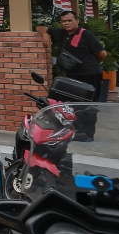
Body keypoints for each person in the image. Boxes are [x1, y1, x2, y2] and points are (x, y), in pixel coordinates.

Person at [38, 11, 107, 141]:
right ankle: (75, 131)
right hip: (72, 74)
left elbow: (102, 54)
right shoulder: (62, 33)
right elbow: (40, 27)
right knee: (72, 103)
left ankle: (87, 134)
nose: (66, 23)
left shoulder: (86, 34)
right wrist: (45, 35)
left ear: (77, 21)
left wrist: (90, 64)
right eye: (64, 21)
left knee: (88, 105)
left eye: (70, 20)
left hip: (90, 74)